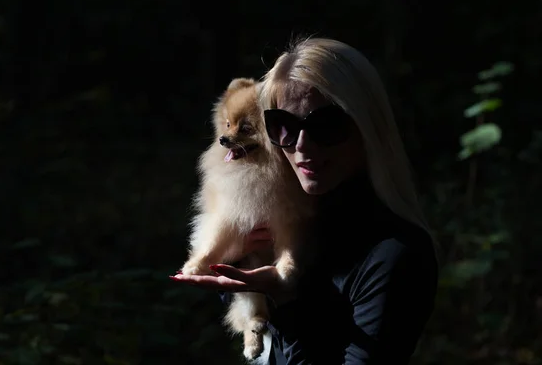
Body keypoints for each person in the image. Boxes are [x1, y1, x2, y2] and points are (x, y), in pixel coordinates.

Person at [170, 37, 439, 364]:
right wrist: (238, 261)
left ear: (367, 128)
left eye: (325, 125)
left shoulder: (393, 255)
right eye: (283, 126)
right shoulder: (296, 212)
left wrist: (286, 301)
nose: (302, 146)